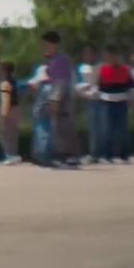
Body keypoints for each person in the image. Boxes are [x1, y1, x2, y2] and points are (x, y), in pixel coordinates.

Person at [42, 31, 81, 168]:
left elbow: (62, 82)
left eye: (47, 44)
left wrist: (56, 100)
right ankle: (62, 156)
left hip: (62, 97)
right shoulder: (52, 60)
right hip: (56, 95)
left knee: (65, 127)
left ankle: (71, 156)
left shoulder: (61, 60)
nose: (46, 47)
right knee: (57, 128)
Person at [96, 46, 134, 164]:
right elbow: (100, 85)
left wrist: (130, 95)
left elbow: (130, 85)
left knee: (122, 129)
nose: (109, 58)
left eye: (111, 55)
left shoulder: (124, 69)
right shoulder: (103, 69)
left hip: (121, 101)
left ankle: (124, 155)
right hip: (107, 102)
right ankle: (108, 155)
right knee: (108, 129)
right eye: (107, 56)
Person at [78, 45, 104, 165]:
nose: (89, 56)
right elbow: (77, 84)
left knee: (100, 128)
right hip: (86, 100)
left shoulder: (101, 67)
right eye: (87, 53)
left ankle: (100, 153)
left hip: (100, 99)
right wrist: (84, 91)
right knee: (89, 129)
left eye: (91, 53)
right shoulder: (81, 68)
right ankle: (89, 153)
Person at [0, 61, 22, 164]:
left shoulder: (5, 83)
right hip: (16, 108)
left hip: (8, 108)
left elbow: (6, 98)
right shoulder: (15, 82)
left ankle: (9, 154)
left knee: (2, 133)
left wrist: (4, 112)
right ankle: (15, 154)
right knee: (13, 134)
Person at [28, 65, 54, 167]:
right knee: (45, 132)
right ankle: (44, 158)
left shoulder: (39, 83)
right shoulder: (48, 86)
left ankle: (39, 156)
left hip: (38, 110)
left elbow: (30, 84)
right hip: (45, 110)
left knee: (39, 132)